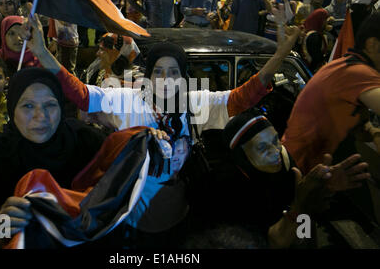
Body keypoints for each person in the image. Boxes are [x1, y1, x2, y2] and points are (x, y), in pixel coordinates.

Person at [21, 13, 302, 248]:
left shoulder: (195, 103)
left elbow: (244, 96)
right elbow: (80, 93)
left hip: (180, 214)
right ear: (148, 75)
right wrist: (42, 52)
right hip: (131, 216)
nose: (166, 80)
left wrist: (281, 53)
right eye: (158, 72)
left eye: (174, 72)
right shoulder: (127, 100)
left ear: (184, 76)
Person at [0, 67, 108, 247]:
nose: (40, 116)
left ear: (61, 105)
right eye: (28, 106)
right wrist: (3, 230)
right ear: (12, 109)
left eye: (50, 105)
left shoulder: (86, 142)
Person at [210, 110, 370, 248]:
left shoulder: (284, 161)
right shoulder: (230, 192)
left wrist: (317, 193)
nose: (276, 151)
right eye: (262, 148)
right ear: (243, 158)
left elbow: (304, 229)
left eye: (275, 140)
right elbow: (275, 243)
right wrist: (301, 204)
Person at [282, 11, 380, 175]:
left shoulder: (343, 65)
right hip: (301, 173)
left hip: (300, 165)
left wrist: (373, 131)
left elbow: (360, 127)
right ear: (373, 45)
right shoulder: (358, 73)